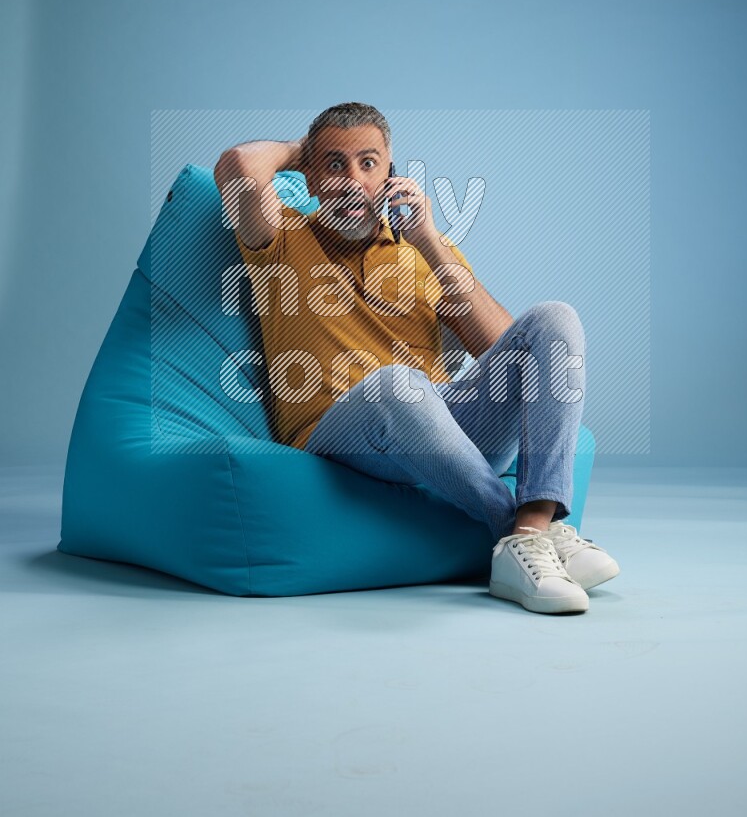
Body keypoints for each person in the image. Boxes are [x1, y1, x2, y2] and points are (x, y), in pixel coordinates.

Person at [214, 102, 620, 615]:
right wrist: (303, 152)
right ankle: (518, 532)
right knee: (398, 384)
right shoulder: (281, 238)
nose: (352, 180)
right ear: (311, 178)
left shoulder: (423, 250)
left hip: (441, 429)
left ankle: (536, 528)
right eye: (335, 165)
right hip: (344, 434)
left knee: (554, 319)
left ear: (391, 173)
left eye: (368, 163)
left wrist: (428, 240)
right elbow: (236, 166)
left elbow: (506, 350)